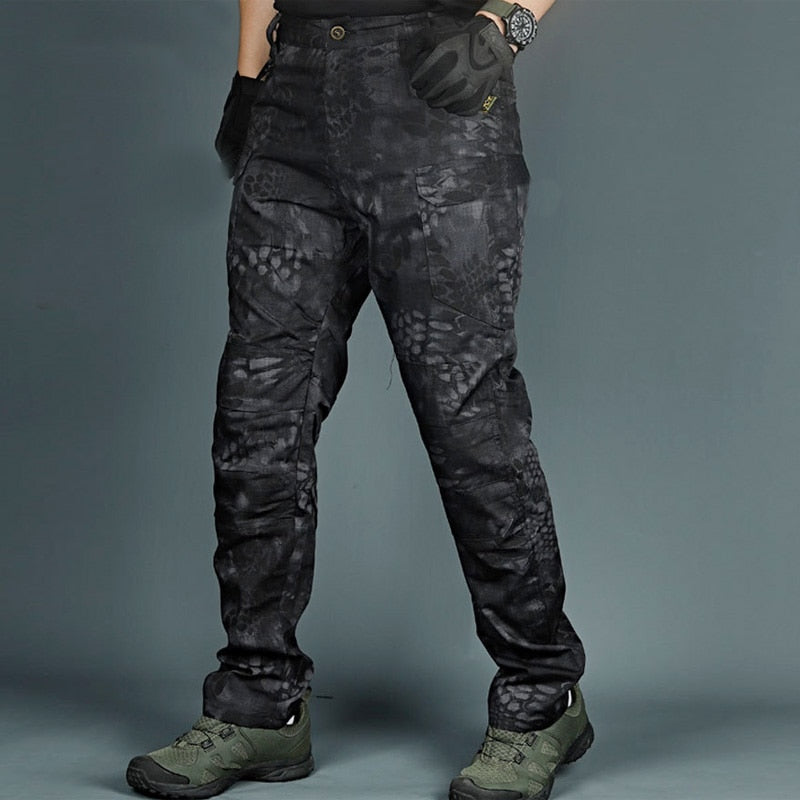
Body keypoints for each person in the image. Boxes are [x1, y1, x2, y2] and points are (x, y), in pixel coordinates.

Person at [125, 1, 593, 798]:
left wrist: (506, 25)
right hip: (295, 95)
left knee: (468, 417)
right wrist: (248, 79)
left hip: (435, 91)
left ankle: (542, 694)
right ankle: (259, 700)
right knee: (258, 412)